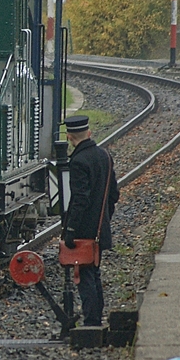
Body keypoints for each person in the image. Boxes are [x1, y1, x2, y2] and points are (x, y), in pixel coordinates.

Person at [62, 114, 119, 327]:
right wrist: (104, 218)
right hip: (100, 227)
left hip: (83, 231)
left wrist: (71, 229)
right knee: (94, 273)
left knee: (84, 274)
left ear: (69, 137)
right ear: (89, 133)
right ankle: (96, 316)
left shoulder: (78, 161)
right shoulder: (104, 155)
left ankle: (91, 320)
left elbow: (80, 199)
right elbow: (113, 194)